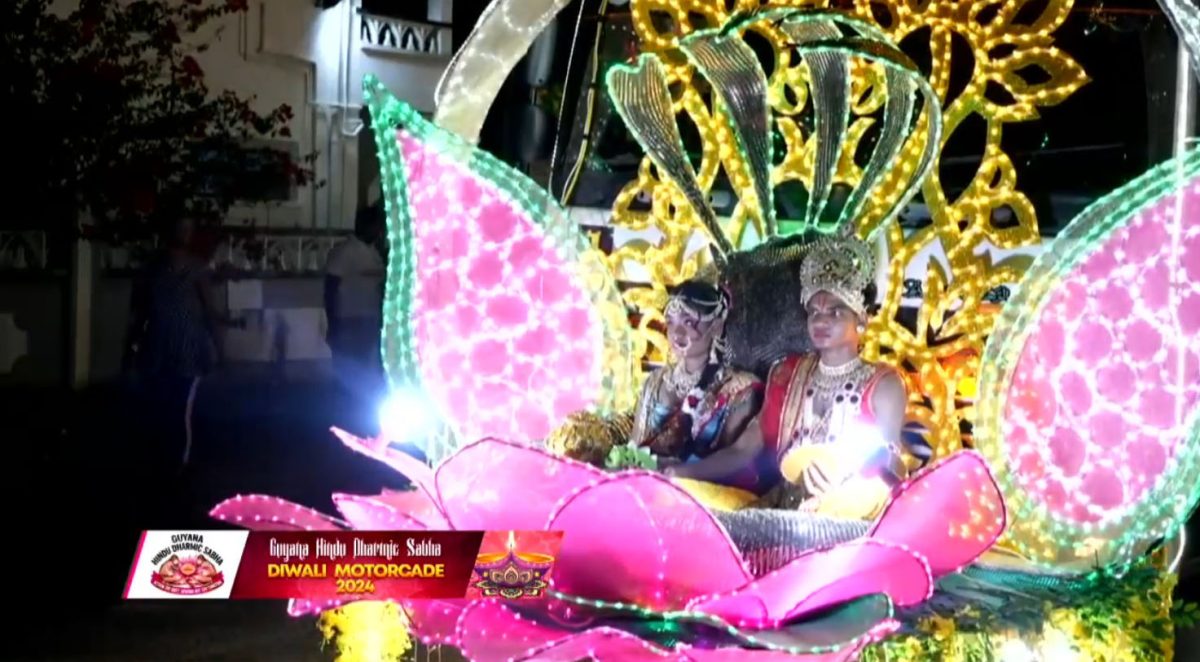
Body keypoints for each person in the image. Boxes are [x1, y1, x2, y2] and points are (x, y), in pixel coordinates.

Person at [708, 231, 908, 518]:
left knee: (871, 492)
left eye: (836, 312)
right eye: (814, 311)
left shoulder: (884, 384)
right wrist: (677, 471)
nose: (821, 319)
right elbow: (743, 450)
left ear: (861, 319)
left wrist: (842, 483)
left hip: (850, 511)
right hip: (785, 507)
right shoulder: (788, 374)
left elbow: (891, 466)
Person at [628, 280, 771, 494]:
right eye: (671, 321)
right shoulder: (655, 382)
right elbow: (636, 446)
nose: (677, 333)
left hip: (703, 495)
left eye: (688, 322)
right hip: (646, 486)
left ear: (715, 327)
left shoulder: (738, 389)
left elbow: (733, 459)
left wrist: (680, 472)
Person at [125, 216, 243, 473]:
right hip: (163, 349)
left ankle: (176, 462)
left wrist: (220, 350)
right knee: (167, 408)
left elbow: (208, 311)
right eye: (182, 228)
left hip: (181, 348)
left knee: (177, 409)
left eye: (188, 228)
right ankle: (168, 461)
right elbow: (141, 313)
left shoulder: (192, 268)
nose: (185, 233)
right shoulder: (155, 269)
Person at [324, 204, 386, 401]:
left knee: (366, 370)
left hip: (370, 318)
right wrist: (332, 322)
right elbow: (330, 289)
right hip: (348, 318)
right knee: (348, 369)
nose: (378, 230)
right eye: (376, 226)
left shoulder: (375, 253)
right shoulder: (344, 252)